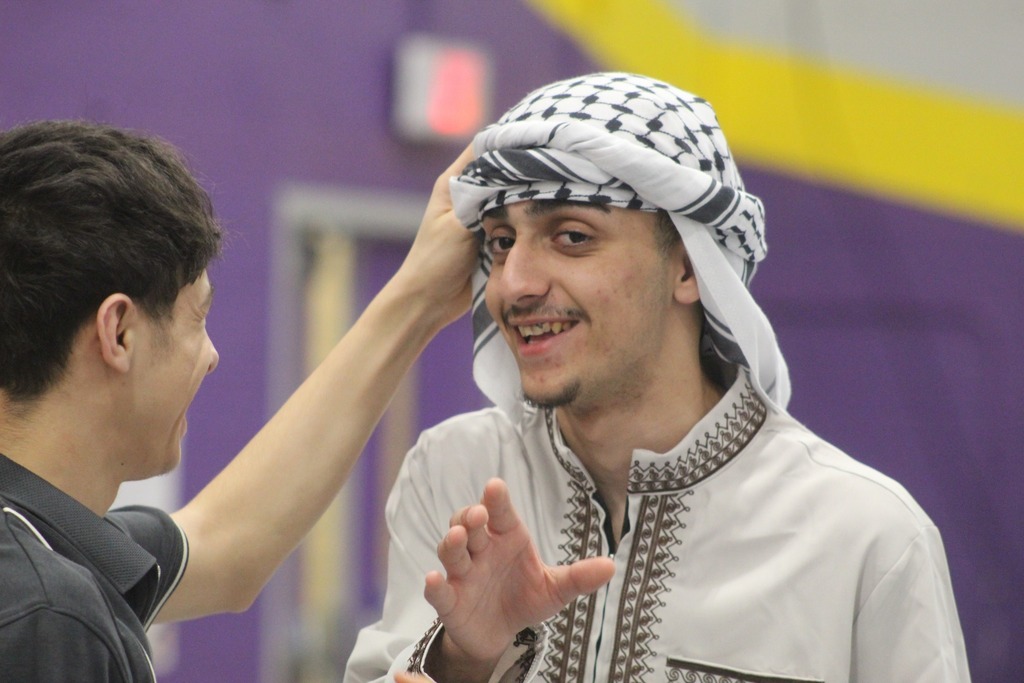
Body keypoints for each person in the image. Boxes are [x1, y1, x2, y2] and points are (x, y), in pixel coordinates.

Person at [344, 73, 971, 683]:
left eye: (571, 236)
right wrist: (462, 662)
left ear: (690, 269)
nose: (514, 283)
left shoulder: (867, 537)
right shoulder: (455, 473)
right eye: (503, 241)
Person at [0, 119, 478, 681]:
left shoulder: (48, 550)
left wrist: (417, 299)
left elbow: (229, 547)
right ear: (120, 333)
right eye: (198, 318)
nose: (211, 356)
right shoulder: (47, 616)